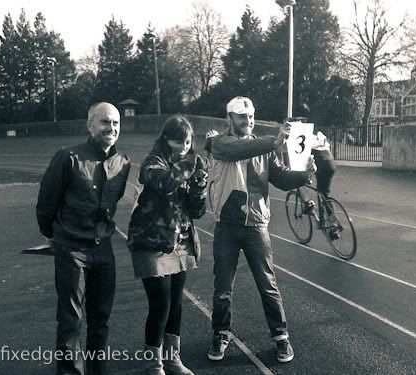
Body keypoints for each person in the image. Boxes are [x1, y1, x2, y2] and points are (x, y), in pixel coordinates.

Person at [207, 96, 317, 363]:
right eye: (242, 117)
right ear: (229, 119)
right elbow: (237, 151)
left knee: (268, 285)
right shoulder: (218, 142)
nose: (249, 121)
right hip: (227, 224)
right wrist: (274, 141)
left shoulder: (264, 148)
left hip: (257, 224)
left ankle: (281, 337)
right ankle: (221, 333)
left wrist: (304, 174)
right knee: (223, 287)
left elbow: (280, 179)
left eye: (251, 116)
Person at [36, 102, 131, 375]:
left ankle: (96, 371)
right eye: (104, 122)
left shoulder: (122, 163)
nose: (111, 128)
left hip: (104, 250)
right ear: (89, 125)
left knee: (100, 319)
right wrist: (52, 235)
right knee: (70, 319)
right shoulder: (67, 158)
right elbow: (46, 203)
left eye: (115, 123)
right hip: (71, 248)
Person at [127, 115, 208, 375]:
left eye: (187, 142)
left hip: (181, 242)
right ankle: (153, 363)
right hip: (152, 243)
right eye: (177, 141)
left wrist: (199, 185)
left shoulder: (188, 165)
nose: (183, 146)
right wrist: (192, 163)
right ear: (165, 139)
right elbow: (165, 182)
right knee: (160, 304)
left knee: (175, 303)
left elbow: (197, 211)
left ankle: (173, 360)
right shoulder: (154, 162)